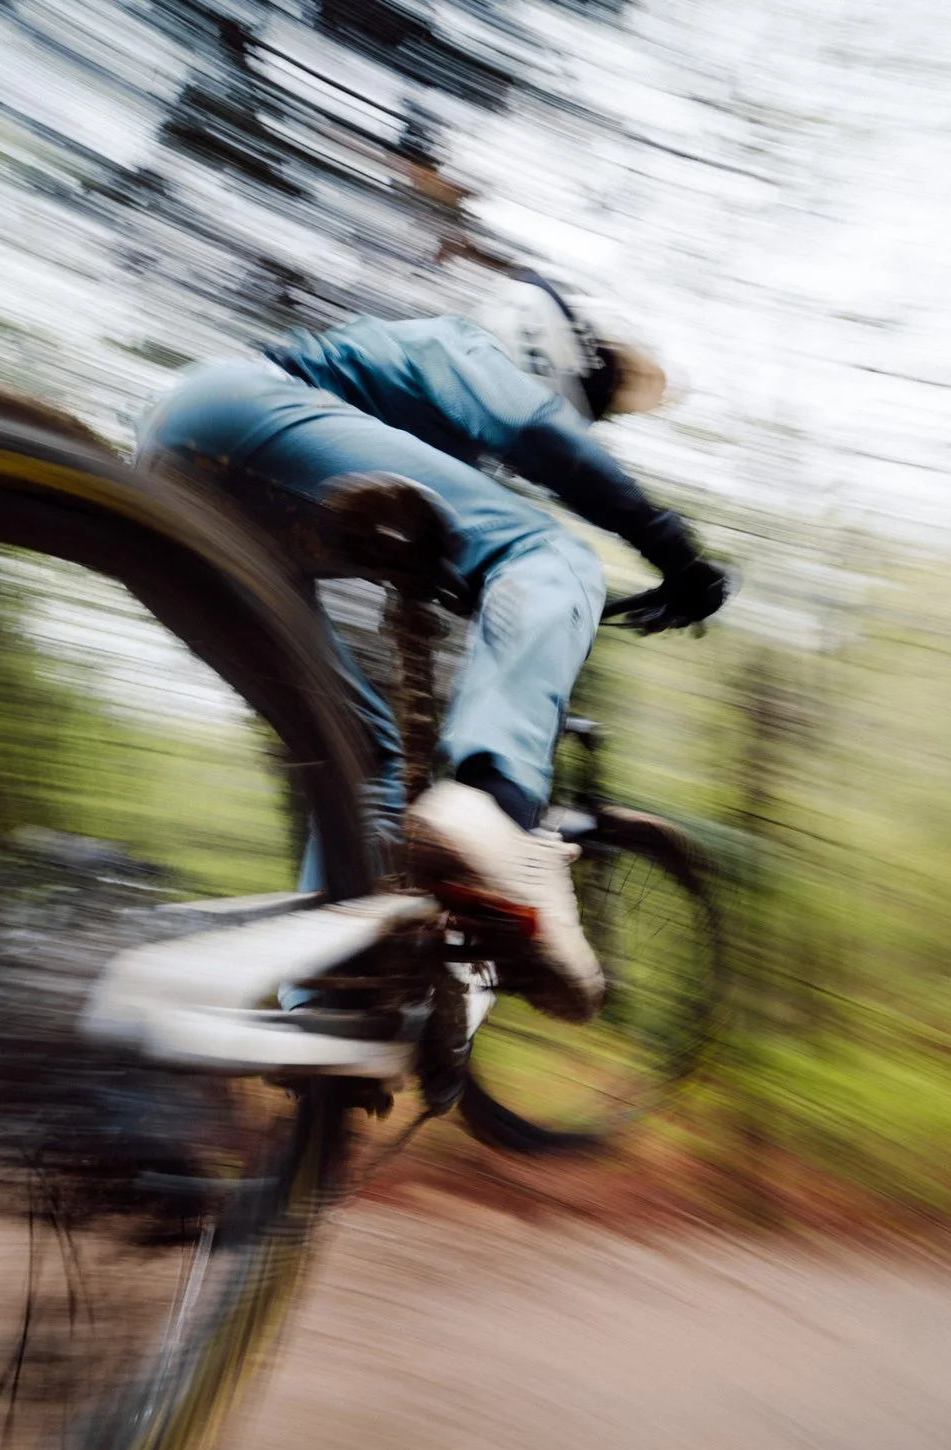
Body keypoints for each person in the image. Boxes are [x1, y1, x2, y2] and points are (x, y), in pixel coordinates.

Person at [136, 273, 729, 1021]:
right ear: (544, 353)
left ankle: (324, 1009)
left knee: (361, 752)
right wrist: (671, 547)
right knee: (554, 555)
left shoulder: (407, 430)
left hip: (167, 490)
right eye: (572, 401)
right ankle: (495, 806)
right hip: (231, 409)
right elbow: (537, 436)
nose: (568, 419)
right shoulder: (461, 346)